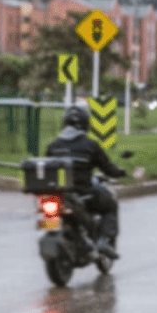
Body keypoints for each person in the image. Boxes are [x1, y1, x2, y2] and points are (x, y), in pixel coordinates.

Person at [45, 106, 127, 258]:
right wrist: (120, 172)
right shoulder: (90, 146)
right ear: (85, 124)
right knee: (111, 205)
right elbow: (108, 168)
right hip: (83, 192)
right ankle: (105, 240)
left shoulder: (53, 145)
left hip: (58, 193)